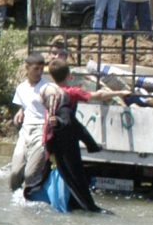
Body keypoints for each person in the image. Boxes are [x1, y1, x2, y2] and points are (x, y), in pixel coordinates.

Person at [44, 62, 122, 213]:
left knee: (65, 172)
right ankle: (88, 206)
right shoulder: (70, 92)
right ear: (68, 76)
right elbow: (97, 96)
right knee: (76, 173)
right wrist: (119, 93)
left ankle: (71, 202)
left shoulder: (49, 92)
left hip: (53, 136)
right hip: (67, 136)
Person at [6, 52, 52, 191]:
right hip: (25, 131)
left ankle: (34, 200)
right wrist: (20, 112)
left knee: (30, 174)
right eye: (35, 69)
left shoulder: (47, 87)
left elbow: (54, 108)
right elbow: (25, 105)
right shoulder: (21, 88)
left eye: (41, 69)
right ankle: (16, 203)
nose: (39, 72)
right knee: (15, 174)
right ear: (27, 68)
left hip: (41, 129)